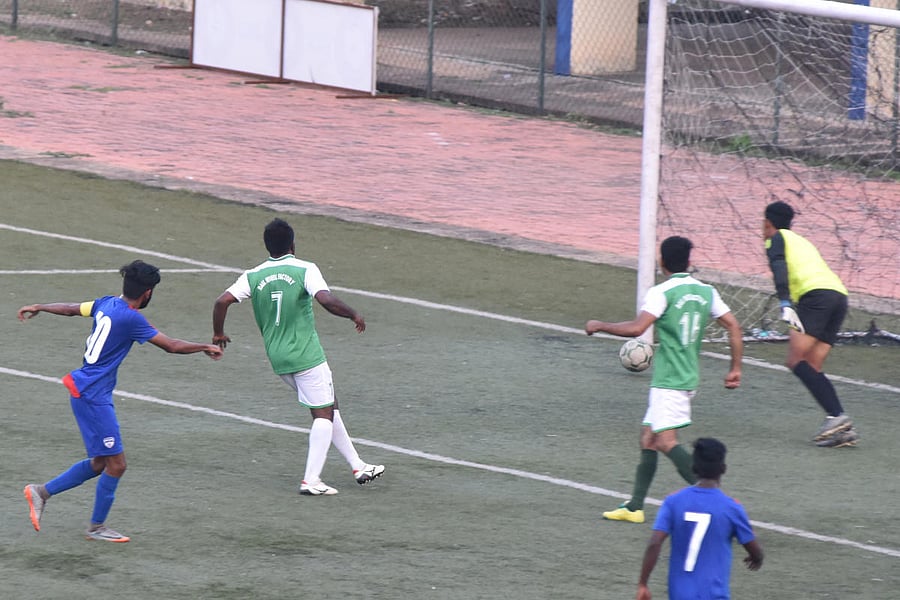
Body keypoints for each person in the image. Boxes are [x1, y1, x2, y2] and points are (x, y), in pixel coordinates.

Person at [19, 260, 222, 543]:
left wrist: (40, 306)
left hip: (90, 392)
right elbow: (171, 346)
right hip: (92, 396)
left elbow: (70, 309)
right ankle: (96, 527)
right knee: (117, 465)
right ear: (148, 293)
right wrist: (204, 346)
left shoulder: (106, 303)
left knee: (101, 462)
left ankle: (41, 492)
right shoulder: (131, 318)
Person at [212, 218, 384, 496]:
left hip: (278, 357)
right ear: (293, 243)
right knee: (323, 413)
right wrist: (353, 313)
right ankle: (311, 480)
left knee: (328, 405)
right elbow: (326, 300)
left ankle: (358, 465)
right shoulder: (305, 268)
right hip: (305, 353)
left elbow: (222, 301)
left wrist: (218, 333)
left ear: (267, 245)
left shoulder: (253, 275)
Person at [586, 236, 743, 524]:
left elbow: (637, 329)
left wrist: (600, 325)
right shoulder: (705, 291)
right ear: (689, 262)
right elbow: (733, 325)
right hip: (686, 376)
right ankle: (634, 507)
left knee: (665, 441)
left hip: (670, 381)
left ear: (661, 262)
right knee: (648, 437)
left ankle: (718, 502)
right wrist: (735, 368)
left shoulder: (662, 292)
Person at [763, 200, 857, 448]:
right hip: (839, 296)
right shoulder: (801, 240)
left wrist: (785, 302)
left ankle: (837, 417)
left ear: (767, 222)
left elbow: (779, 267)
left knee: (796, 361)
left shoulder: (776, 238)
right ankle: (840, 424)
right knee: (812, 365)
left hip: (815, 297)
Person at [635, 437, 763, 600]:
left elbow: (655, 542)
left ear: (693, 468)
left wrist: (643, 584)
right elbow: (754, 550)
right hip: (714, 594)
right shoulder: (732, 508)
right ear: (723, 468)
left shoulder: (673, 501)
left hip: (680, 594)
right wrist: (757, 558)